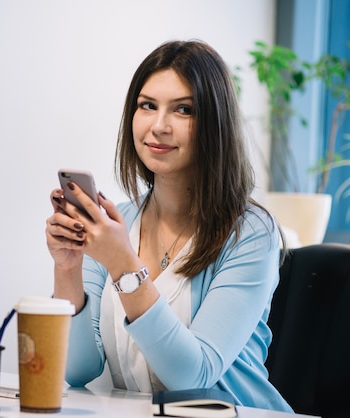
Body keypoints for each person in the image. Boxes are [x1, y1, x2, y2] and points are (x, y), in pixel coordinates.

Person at [45, 40, 292, 412]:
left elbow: (194, 377)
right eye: (147, 106)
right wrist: (68, 268)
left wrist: (123, 265)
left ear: (214, 124)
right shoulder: (118, 223)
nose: (158, 126)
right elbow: (77, 370)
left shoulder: (252, 233)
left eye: (184, 110)